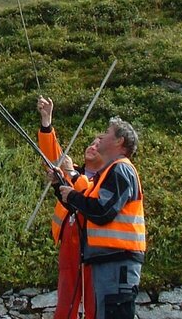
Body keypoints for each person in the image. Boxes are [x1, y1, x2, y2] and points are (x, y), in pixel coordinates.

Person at [59, 117, 145, 319]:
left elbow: (101, 211)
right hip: (109, 261)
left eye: (107, 132)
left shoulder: (120, 169)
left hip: (118, 261)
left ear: (119, 141)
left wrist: (72, 195)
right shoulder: (110, 171)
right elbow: (88, 203)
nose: (101, 136)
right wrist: (64, 186)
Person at [37, 96, 100, 319]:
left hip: (95, 243)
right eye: (92, 143)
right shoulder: (73, 170)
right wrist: (47, 122)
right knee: (66, 300)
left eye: (99, 146)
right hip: (70, 243)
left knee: (94, 301)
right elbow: (52, 157)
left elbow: (89, 195)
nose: (93, 146)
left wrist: (71, 174)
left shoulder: (106, 178)